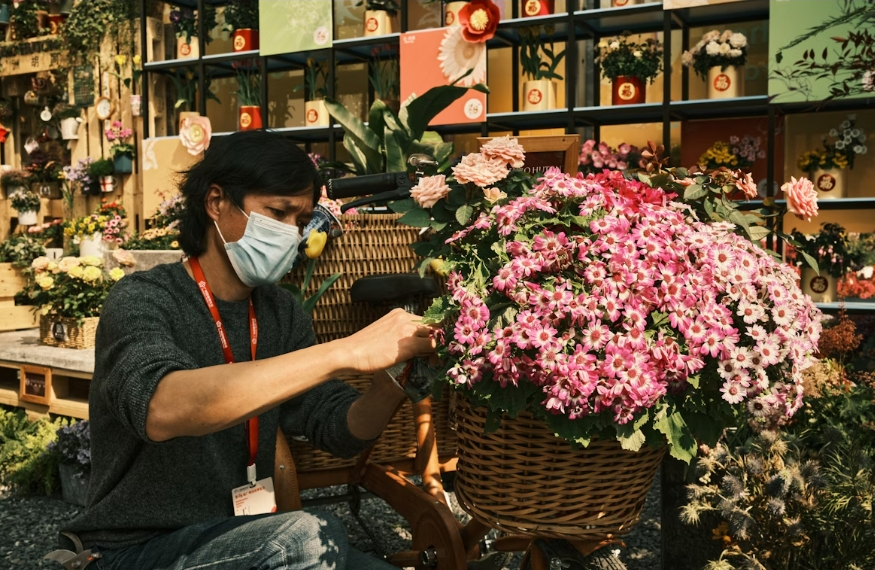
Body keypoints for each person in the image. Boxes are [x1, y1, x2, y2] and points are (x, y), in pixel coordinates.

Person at [55, 130, 436, 570]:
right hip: (132, 550)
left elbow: (340, 430)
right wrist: (343, 351)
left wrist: (397, 378)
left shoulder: (280, 312)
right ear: (216, 202)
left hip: (243, 538)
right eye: (277, 213)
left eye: (301, 220)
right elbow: (160, 408)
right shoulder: (144, 298)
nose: (292, 234)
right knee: (309, 535)